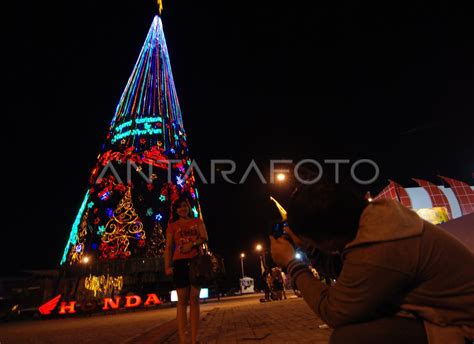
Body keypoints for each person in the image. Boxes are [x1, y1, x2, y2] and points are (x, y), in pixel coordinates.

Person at [270, 179, 474, 344]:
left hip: (464, 326)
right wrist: (310, 246)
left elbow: (334, 311)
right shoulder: (378, 221)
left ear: (329, 238)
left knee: (349, 338)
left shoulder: (380, 245)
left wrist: (292, 264)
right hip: (451, 314)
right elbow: (344, 271)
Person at [165, 197, 209, 344]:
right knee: (182, 300)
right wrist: (167, 265)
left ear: (189, 207)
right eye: (179, 207)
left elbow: (204, 237)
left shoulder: (197, 221)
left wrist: (192, 244)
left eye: (185, 206)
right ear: (176, 211)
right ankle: (184, 340)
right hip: (179, 263)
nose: (182, 209)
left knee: (195, 298)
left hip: (196, 262)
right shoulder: (172, 225)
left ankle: (194, 339)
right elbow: (168, 247)